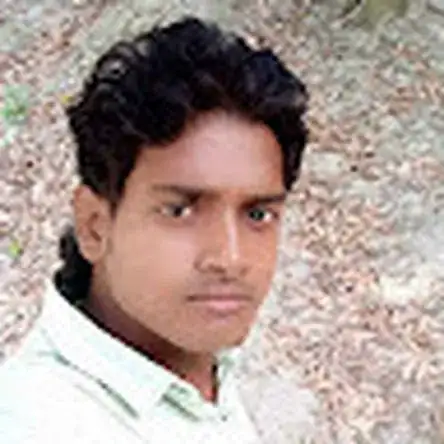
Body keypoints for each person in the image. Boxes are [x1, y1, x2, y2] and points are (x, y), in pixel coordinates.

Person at [0, 16, 308, 443]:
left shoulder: (188, 362)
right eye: (179, 210)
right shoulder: (39, 424)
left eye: (257, 215)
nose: (230, 258)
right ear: (94, 226)